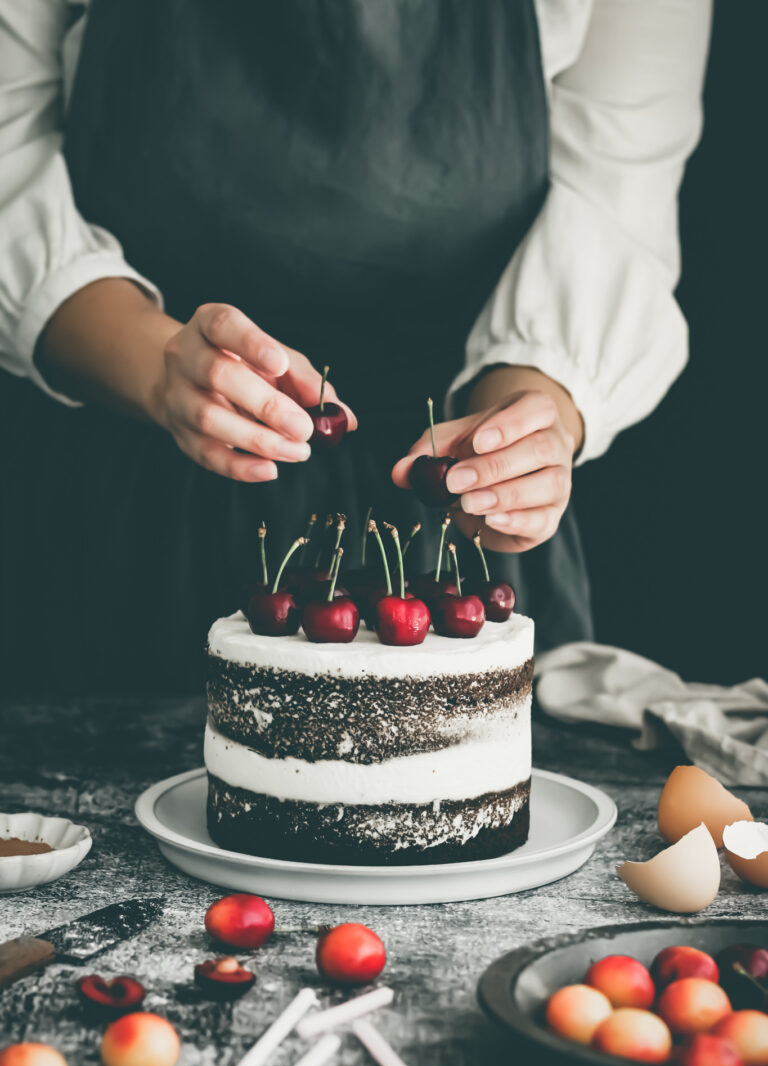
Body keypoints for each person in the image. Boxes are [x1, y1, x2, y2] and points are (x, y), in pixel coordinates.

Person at [0, 0, 711, 692]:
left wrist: (526, 424)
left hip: (453, 540)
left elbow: (612, 202)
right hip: (126, 510)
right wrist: (159, 368)